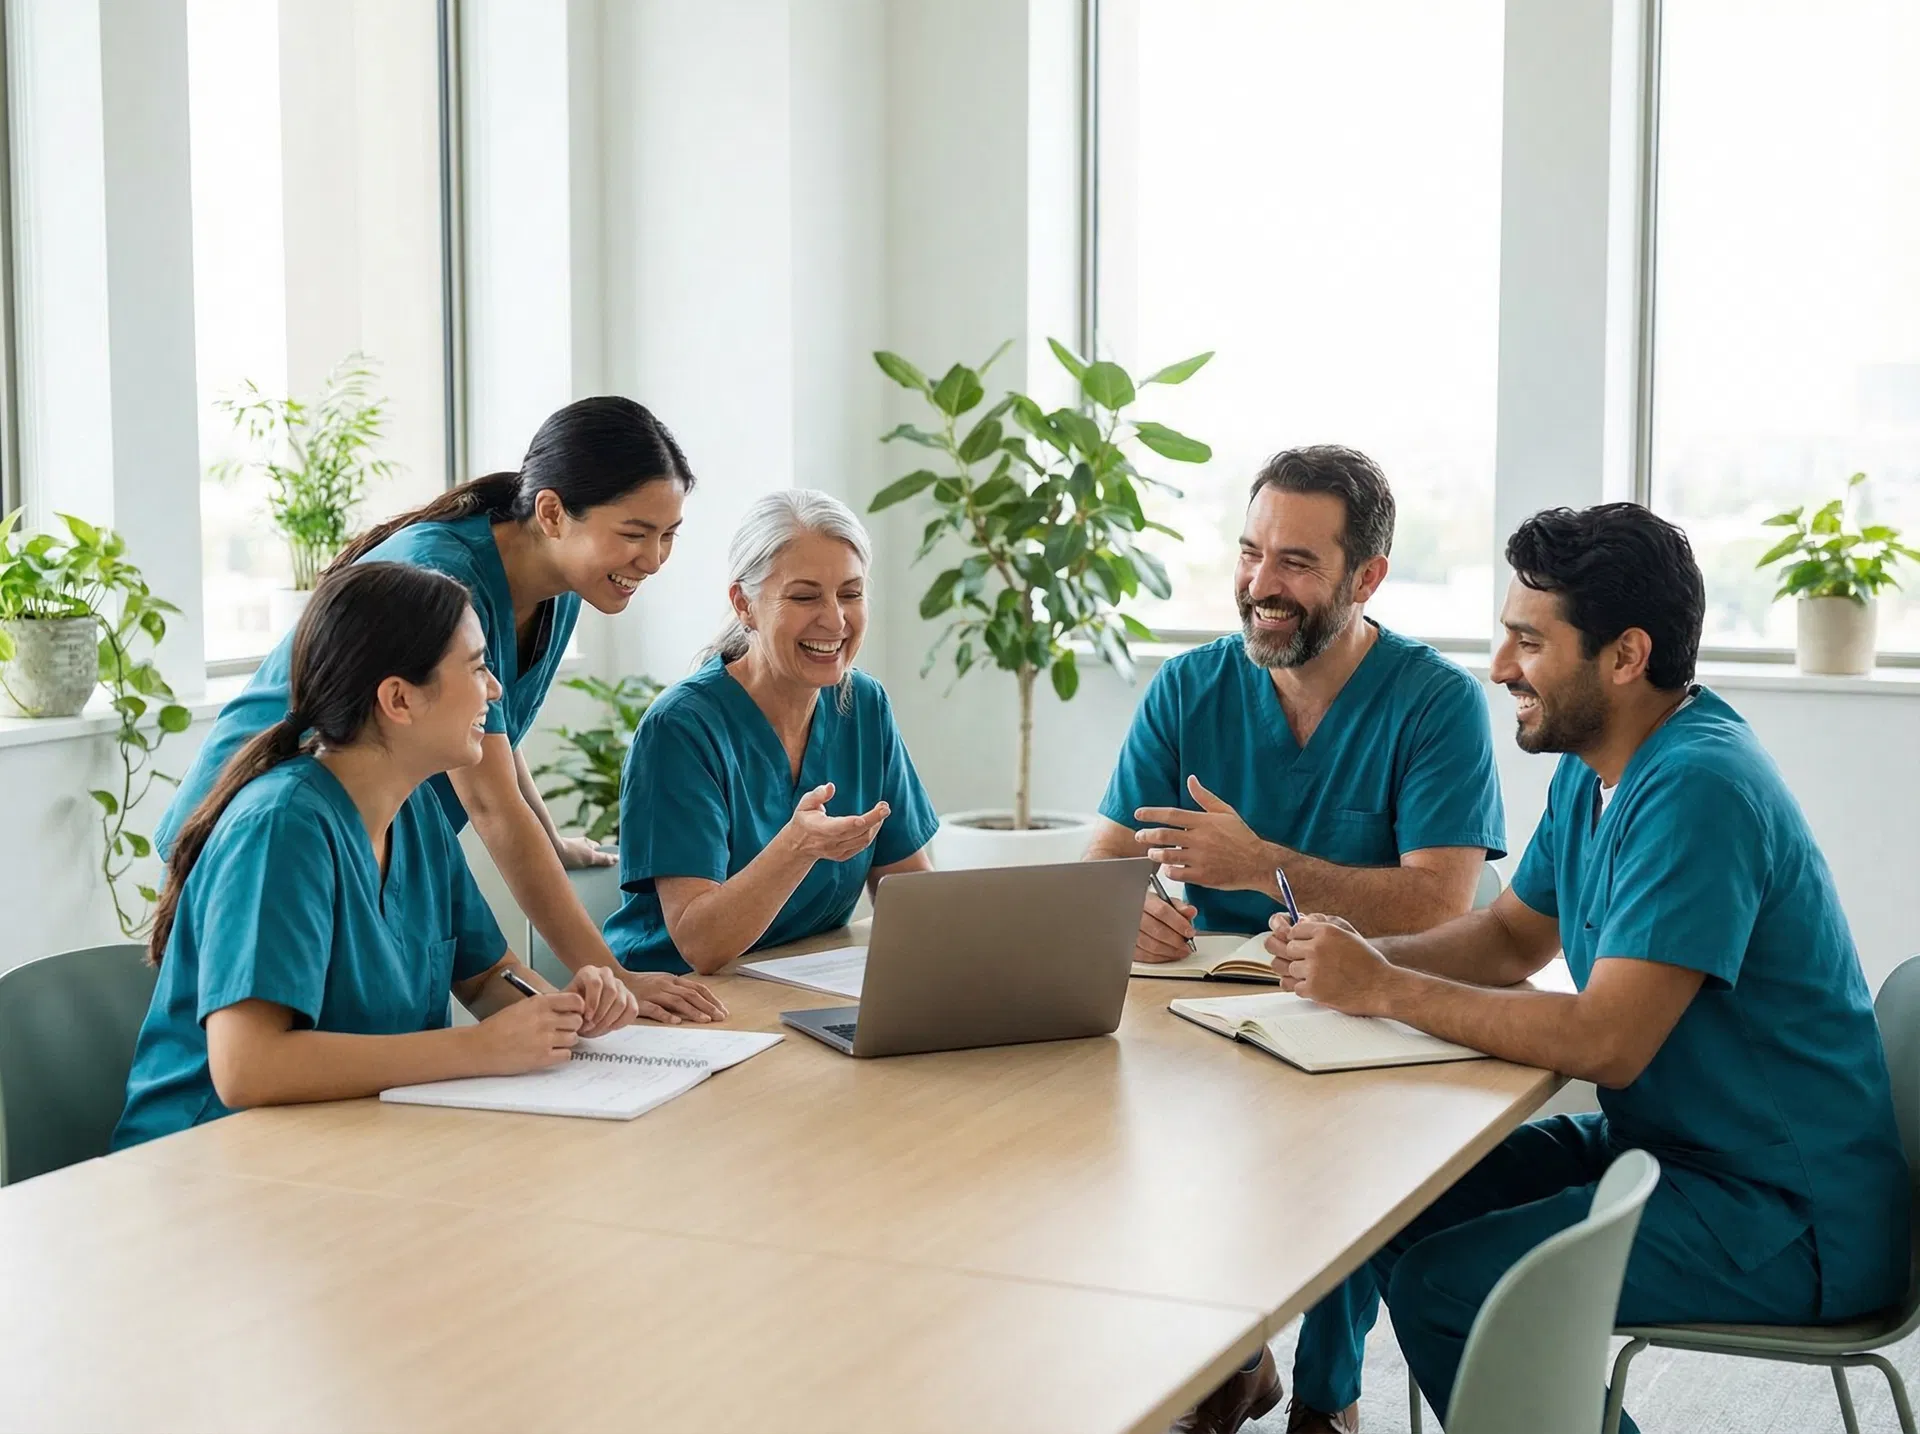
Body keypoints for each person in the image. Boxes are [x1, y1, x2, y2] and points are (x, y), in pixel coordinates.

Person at [1264, 504, 1910, 1434]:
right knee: (1393, 1207)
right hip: (1673, 1154)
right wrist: (1351, 960)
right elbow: (1509, 941)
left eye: (1528, 641)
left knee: (1453, 1287)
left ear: (1625, 655)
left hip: (1787, 1216)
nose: (1498, 668)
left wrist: (1384, 986)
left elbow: (1608, 1042)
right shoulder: (1596, 762)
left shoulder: (1699, 789)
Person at [114, 564, 717, 1150]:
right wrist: (479, 1049)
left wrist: (563, 1014)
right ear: (399, 699)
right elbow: (248, 1067)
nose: (497, 689)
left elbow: (486, 978)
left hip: (354, 1142)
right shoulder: (281, 828)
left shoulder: (415, 810)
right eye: (478, 668)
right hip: (210, 1161)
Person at [155, 397, 721, 1017]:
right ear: (553, 513)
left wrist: (550, 840)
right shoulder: (445, 582)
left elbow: (497, 749)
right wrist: (616, 976)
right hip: (279, 841)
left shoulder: (562, 588)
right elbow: (488, 802)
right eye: (635, 534)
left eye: (668, 536)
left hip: (373, 833)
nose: (655, 559)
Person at [1087, 445, 1506, 956]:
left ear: (1366, 578)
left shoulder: (1438, 702)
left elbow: (1438, 906)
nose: (1261, 585)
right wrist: (1131, 914)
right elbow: (1108, 861)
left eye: (1295, 562)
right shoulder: (1185, 687)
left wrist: (1263, 866)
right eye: (1250, 553)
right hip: (1205, 987)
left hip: (1367, 1001)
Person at [604, 490, 940, 975]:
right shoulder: (681, 727)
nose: (836, 619)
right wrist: (797, 848)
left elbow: (911, 898)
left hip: (800, 980)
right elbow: (702, 945)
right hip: (680, 999)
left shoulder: (864, 706)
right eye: (805, 597)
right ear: (744, 604)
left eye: (850, 593)